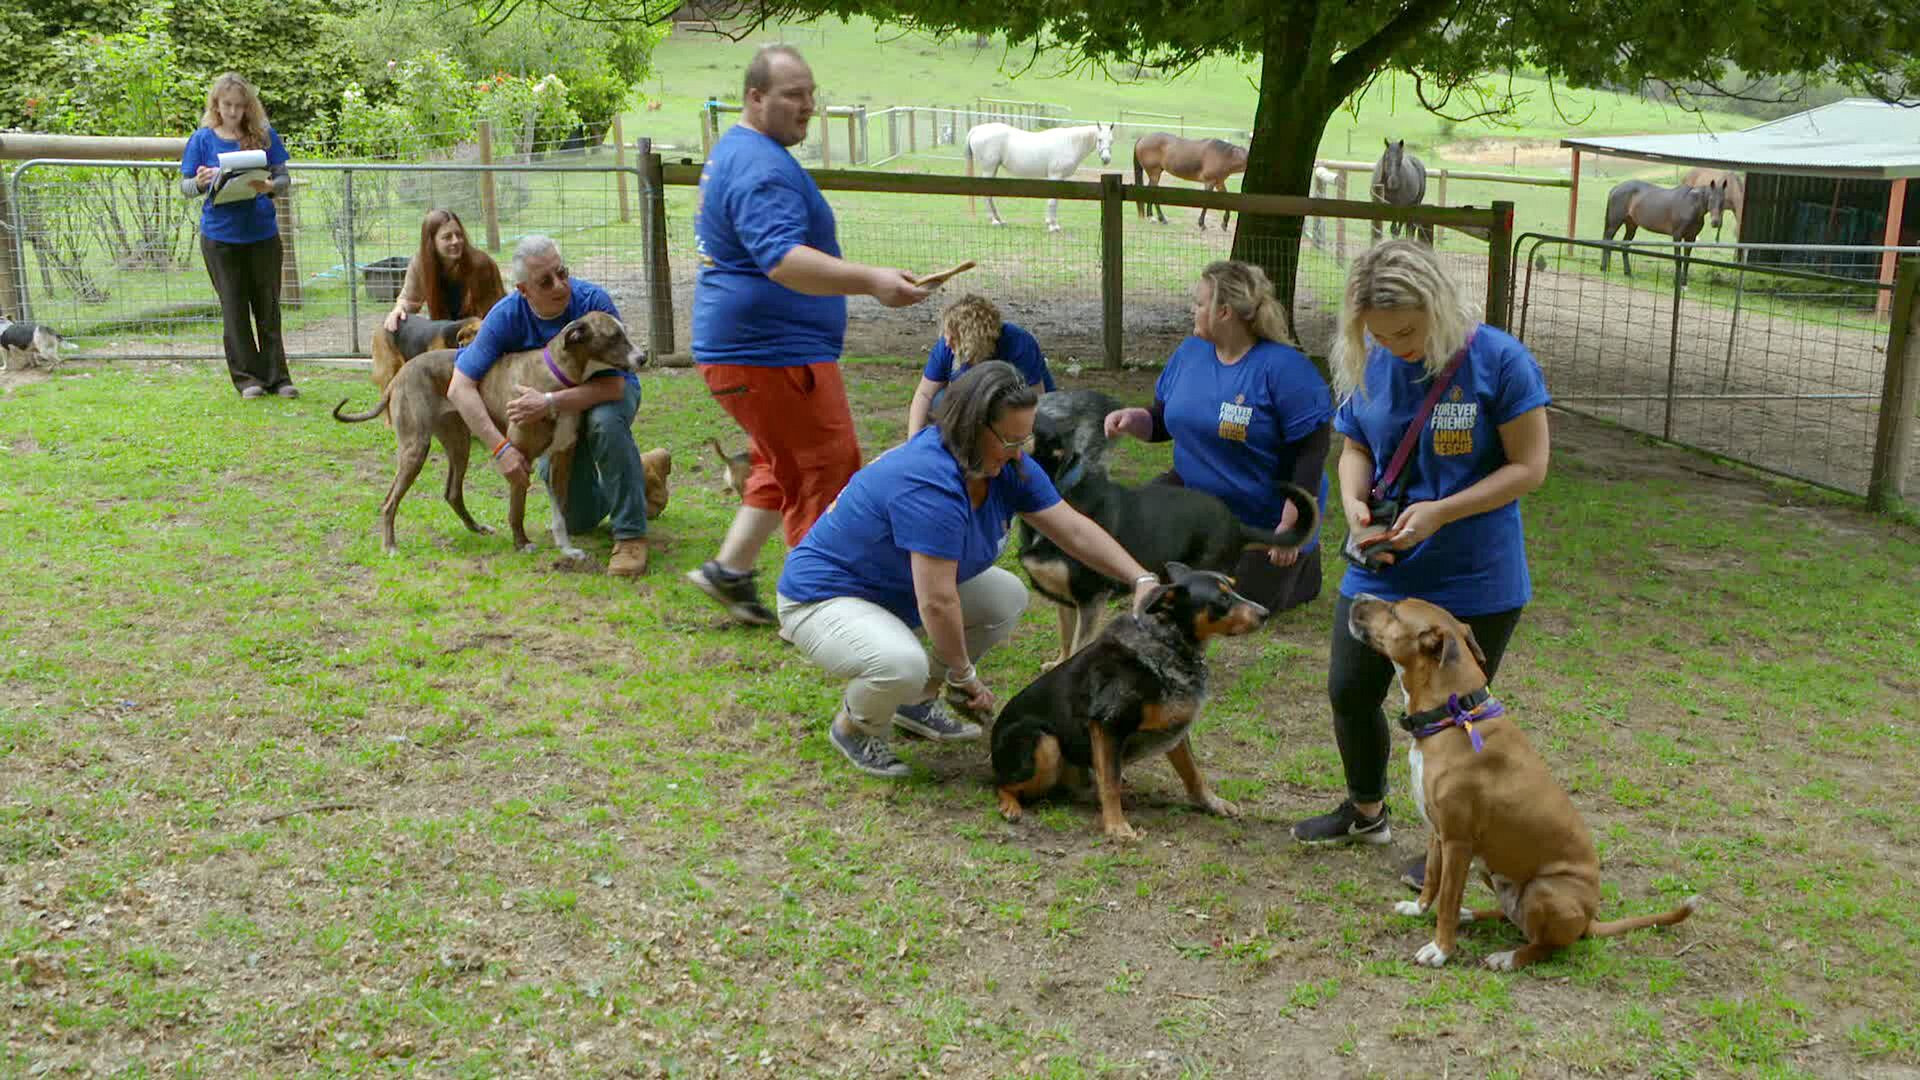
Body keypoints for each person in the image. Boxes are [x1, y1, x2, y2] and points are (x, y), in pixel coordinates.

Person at [1286, 239, 1551, 893]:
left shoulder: (1499, 362)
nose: (1398, 345)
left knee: (1456, 720)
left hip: (1473, 573)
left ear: (1436, 304)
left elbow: (1530, 468)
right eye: (1380, 333)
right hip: (1383, 562)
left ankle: (1449, 846)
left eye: (1408, 330)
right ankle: (1365, 810)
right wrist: (1352, 499)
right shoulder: (1371, 358)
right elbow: (1355, 446)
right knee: (1350, 690)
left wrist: (1441, 512)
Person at [776, 362, 1163, 779]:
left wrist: (1139, 578)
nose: (1021, 450)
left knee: (1005, 597)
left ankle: (916, 703)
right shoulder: (931, 483)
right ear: (971, 426)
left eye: (1025, 436)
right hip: (824, 598)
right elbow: (938, 601)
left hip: (896, 592)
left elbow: (1072, 530)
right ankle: (855, 727)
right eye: (1010, 439)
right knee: (900, 664)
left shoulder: (1005, 466)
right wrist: (965, 677)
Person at [685, 44, 932, 625]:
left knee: (784, 460)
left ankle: (731, 570)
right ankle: (820, 612)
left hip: (754, 352)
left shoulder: (742, 151)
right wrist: (871, 280)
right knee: (824, 468)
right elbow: (782, 260)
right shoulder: (761, 166)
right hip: (770, 357)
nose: (808, 107)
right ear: (755, 97)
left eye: (811, 93)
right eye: (793, 95)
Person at [1103, 260, 1332, 615]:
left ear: (1223, 311)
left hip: (1263, 511)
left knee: (1231, 603)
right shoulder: (1190, 353)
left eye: (1198, 302)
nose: (1192, 309)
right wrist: (1135, 419)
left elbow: (1311, 452)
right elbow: (1164, 421)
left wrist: (1292, 525)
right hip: (1197, 494)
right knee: (1128, 539)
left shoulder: (1286, 368)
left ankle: (1302, 570)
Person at [449, 235, 651, 577]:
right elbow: (459, 387)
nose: (560, 286)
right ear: (524, 289)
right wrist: (501, 449)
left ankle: (631, 536)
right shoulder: (506, 316)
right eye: (546, 281)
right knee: (578, 520)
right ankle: (641, 477)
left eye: (563, 273)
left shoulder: (591, 303)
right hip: (553, 418)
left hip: (606, 394)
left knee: (604, 424)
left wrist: (548, 401)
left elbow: (616, 382)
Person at [180, 73, 293, 400]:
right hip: (221, 237)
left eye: (239, 106)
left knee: (268, 308)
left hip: (262, 234)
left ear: (248, 107)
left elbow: (283, 177)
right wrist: (201, 182)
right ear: (216, 104)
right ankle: (247, 380)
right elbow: (186, 187)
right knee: (234, 309)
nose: (233, 112)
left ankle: (279, 378)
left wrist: (272, 187)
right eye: (227, 105)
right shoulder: (202, 140)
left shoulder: (263, 135)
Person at [906, 294, 1055, 437]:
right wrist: (911, 444)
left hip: (1013, 402)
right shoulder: (947, 346)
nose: (947, 342)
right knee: (939, 400)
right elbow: (924, 395)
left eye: (954, 337)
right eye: (947, 334)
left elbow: (1036, 399)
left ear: (974, 340)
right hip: (980, 401)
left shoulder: (1019, 344)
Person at [381, 208, 507, 332]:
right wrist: (398, 309)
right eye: (447, 237)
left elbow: (497, 312)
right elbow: (409, 299)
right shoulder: (421, 263)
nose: (456, 241)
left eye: (459, 235)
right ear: (432, 242)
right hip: (443, 333)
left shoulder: (481, 264)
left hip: (478, 332)